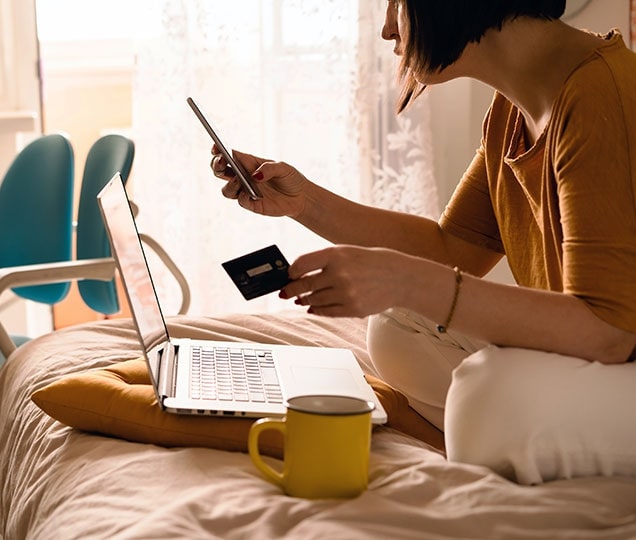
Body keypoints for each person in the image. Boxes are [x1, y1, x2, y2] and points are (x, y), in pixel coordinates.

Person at [209, 0, 636, 484]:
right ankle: (499, 439)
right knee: (398, 322)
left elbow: (609, 330)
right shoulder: (512, 110)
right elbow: (451, 248)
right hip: (601, 348)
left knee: (485, 394)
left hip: (617, 348)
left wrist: (406, 279)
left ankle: (493, 435)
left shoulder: (601, 94)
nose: (389, 28)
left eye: (396, 4)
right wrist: (303, 202)